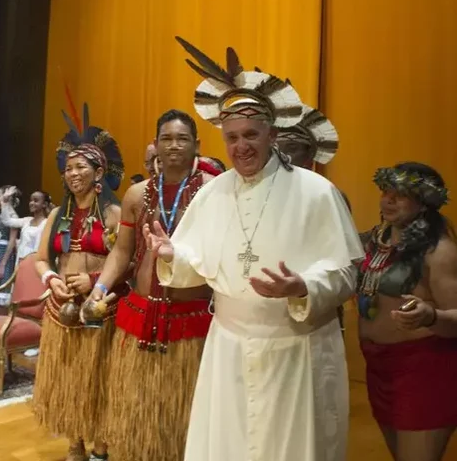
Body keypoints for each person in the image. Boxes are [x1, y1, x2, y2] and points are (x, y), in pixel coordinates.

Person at [151, 38, 364, 461]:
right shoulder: (212, 193)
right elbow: (199, 263)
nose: (241, 146)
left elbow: (346, 273)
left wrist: (303, 286)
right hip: (228, 348)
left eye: (251, 134)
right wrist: (172, 255)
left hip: (295, 352)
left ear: (272, 134)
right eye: (231, 137)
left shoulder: (316, 192)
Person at [86, 109, 219, 461]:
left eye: (182, 139)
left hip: (192, 320)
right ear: (155, 144)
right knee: (137, 410)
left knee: (186, 414)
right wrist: (100, 288)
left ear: (197, 145)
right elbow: (122, 251)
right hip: (140, 316)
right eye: (166, 139)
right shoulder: (136, 194)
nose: (174, 146)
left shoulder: (214, 191)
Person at [33, 102, 125, 461]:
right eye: (69, 168)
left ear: (99, 172)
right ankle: (75, 442)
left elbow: (128, 262)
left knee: (99, 376)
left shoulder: (114, 214)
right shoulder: (57, 215)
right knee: (69, 376)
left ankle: (101, 446)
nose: (73, 173)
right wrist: (51, 279)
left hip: (101, 308)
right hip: (61, 308)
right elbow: (41, 259)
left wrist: (94, 280)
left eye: (81, 167)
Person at [357, 162, 457, 461]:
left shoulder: (439, 251)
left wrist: (431, 316)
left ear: (424, 202)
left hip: (425, 371)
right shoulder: (375, 242)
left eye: (400, 195)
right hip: (378, 367)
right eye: (385, 192)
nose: (388, 200)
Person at [275, 107, 350, 333]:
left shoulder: (326, 195)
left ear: (310, 155)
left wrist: (307, 286)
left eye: (292, 148)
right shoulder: (258, 193)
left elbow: (342, 264)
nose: (283, 155)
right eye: (276, 148)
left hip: (313, 304)